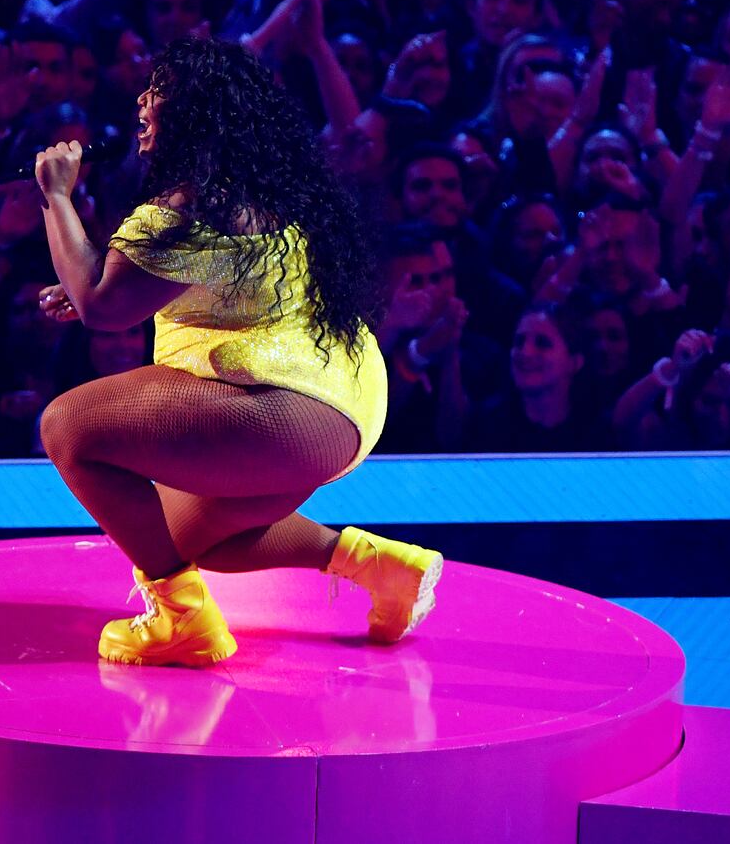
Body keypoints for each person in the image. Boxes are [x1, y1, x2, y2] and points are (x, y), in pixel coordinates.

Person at [34, 37, 440, 667]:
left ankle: (181, 621)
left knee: (67, 425)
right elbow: (194, 282)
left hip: (282, 408)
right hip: (344, 408)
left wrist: (57, 197)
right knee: (190, 540)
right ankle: (382, 567)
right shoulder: (261, 194)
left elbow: (102, 310)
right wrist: (92, 279)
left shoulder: (184, 214)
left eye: (158, 89)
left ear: (196, 111)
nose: (141, 99)